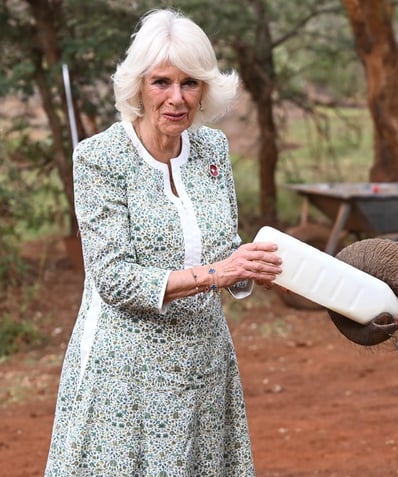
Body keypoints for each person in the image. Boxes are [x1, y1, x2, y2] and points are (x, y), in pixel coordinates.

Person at [45, 9, 282, 476]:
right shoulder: (99, 158)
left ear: (206, 89)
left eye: (190, 83)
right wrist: (222, 274)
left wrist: (253, 270)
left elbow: (225, 247)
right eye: (161, 83)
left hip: (205, 362)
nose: (177, 98)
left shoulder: (212, 149)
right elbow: (113, 279)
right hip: (125, 374)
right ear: (138, 86)